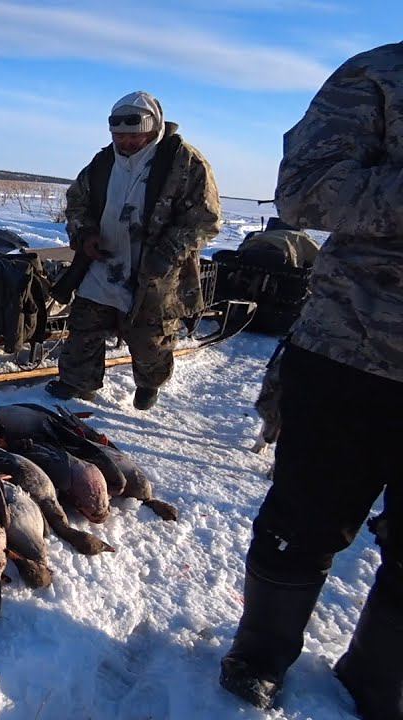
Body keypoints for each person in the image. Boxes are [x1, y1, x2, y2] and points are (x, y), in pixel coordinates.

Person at [220, 42, 403, 719]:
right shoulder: (380, 74)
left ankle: (379, 680)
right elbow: (305, 187)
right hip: (354, 349)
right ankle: (260, 655)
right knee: (303, 518)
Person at [47, 91, 221, 410]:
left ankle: (149, 384)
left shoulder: (185, 162)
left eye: (133, 136)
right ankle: (77, 384)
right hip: (103, 263)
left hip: (156, 273)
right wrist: (85, 234)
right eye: (119, 135)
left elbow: (205, 220)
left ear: (153, 129)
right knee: (84, 325)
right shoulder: (103, 162)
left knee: (149, 341)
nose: (125, 142)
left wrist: (166, 253)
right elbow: (77, 202)